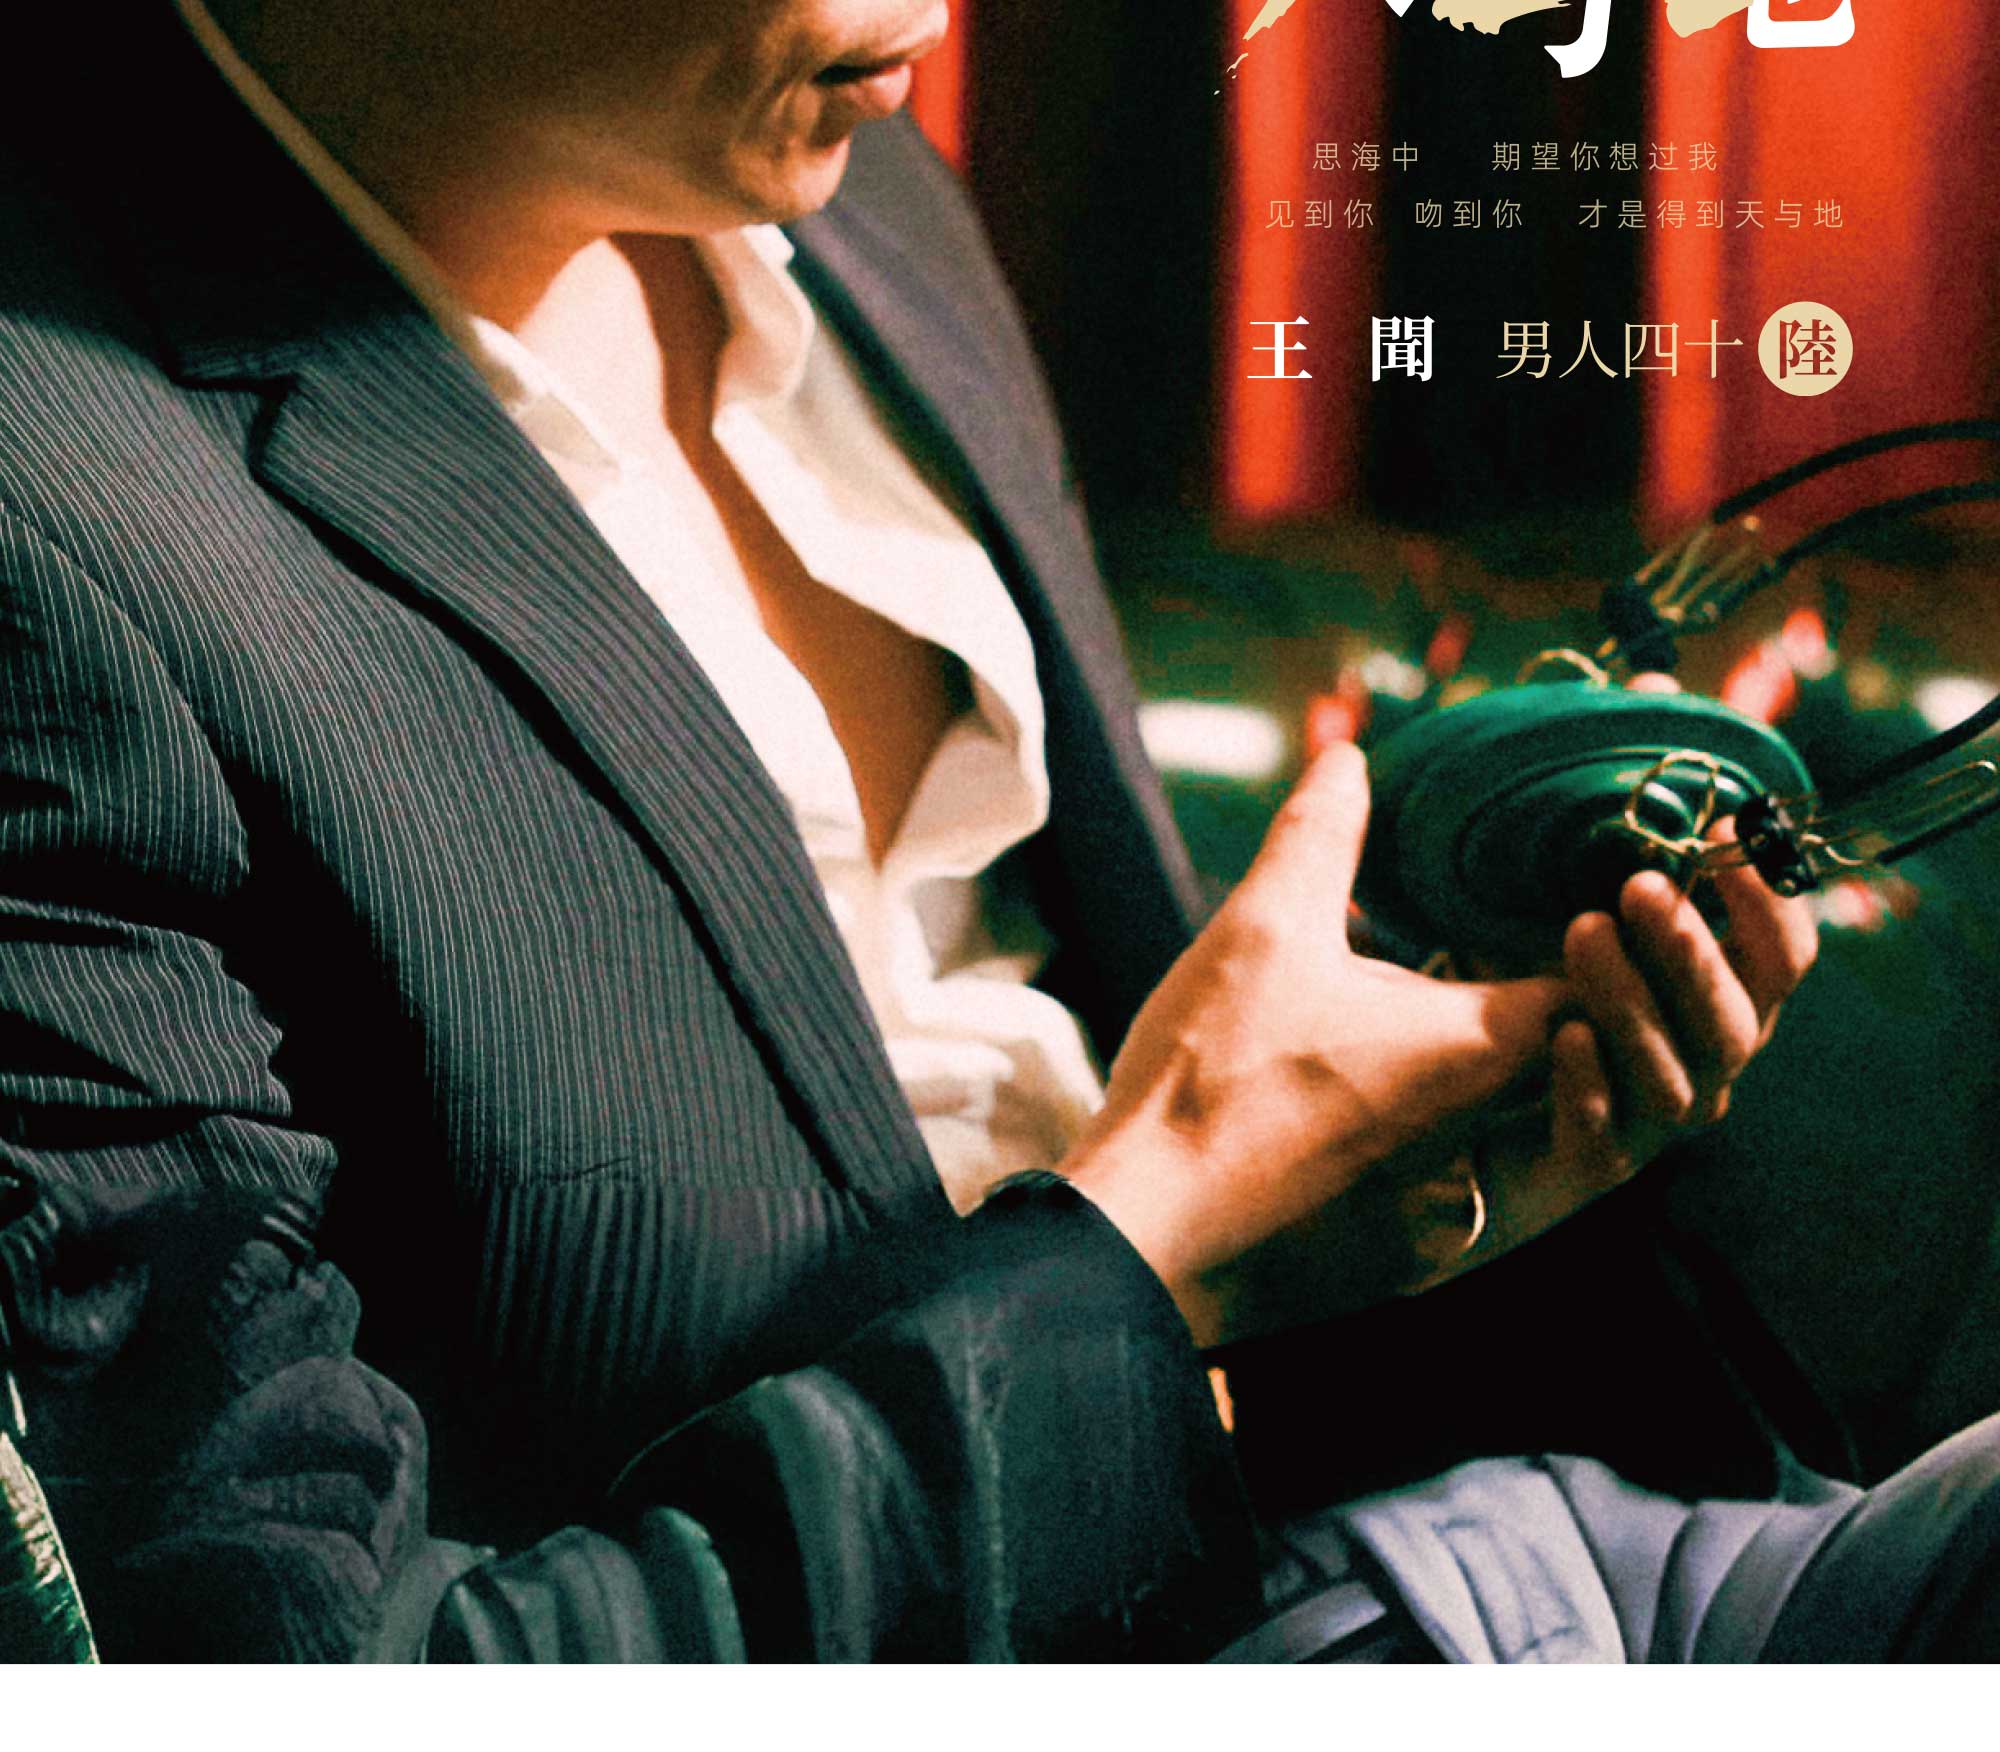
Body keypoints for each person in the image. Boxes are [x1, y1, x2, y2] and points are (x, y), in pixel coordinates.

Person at [0, 0, 1992, 1660]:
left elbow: (1045, 1056)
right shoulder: (53, 529)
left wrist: (1392, 1157)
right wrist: (1169, 1230)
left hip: (1493, 1545)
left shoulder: (848, 188)